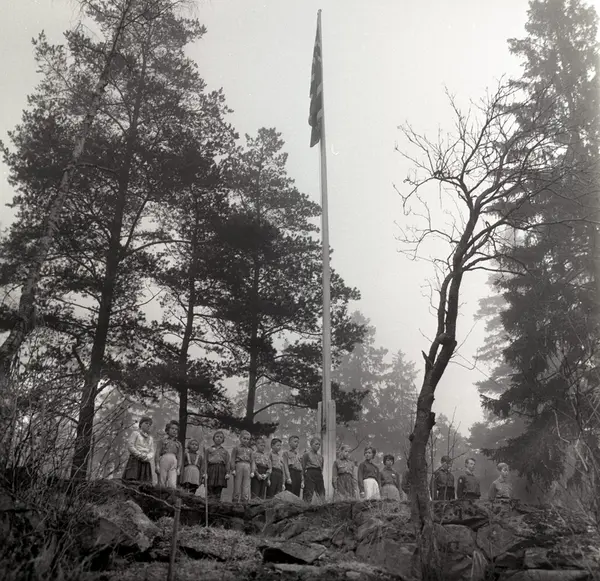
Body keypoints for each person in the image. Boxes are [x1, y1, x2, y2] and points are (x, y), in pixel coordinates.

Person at [123, 416, 155, 483]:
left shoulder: (150, 438)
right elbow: (130, 446)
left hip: (145, 461)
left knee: (144, 483)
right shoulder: (136, 433)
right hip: (135, 460)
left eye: (150, 424)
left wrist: (147, 457)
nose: (148, 425)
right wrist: (139, 455)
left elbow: (152, 451)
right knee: (132, 480)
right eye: (146, 423)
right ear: (140, 424)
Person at [155, 420, 183, 489]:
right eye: (172, 428)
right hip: (164, 459)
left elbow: (180, 457)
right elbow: (158, 452)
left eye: (176, 429)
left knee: (172, 483)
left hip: (174, 461)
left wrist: (179, 468)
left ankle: (171, 494)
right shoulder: (162, 440)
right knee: (162, 480)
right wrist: (157, 464)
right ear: (168, 430)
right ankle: (161, 493)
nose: (174, 430)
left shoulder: (178, 444)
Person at [206, 430, 230, 500]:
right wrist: (204, 473)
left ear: (223, 440)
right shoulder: (208, 450)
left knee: (219, 488)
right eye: (217, 436)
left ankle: (216, 503)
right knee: (210, 487)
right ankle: (209, 502)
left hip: (221, 470)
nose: (219, 438)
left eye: (221, 437)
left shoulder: (225, 451)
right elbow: (205, 462)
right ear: (213, 438)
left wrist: (227, 472)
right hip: (211, 469)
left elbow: (227, 462)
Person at [231, 430, 253, 504]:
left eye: (248, 439)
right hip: (239, 465)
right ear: (240, 438)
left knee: (246, 485)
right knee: (237, 484)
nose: (246, 440)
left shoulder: (250, 450)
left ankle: (245, 502)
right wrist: (233, 469)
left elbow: (252, 461)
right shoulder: (236, 448)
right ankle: (235, 501)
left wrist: (252, 471)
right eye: (244, 438)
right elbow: (233, 459)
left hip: (247, 466)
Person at [302, 437, 325, 504]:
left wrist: (319, 474)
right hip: (310, 473)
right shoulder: (306, 454)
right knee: (308, 492)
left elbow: (321, 467)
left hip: (319, 474)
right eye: (316, 444)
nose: (318, 446)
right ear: (311, 445)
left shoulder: (321, 457)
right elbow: (303, 467)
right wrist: (303, 479)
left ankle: (322, 507)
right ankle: (306, 507)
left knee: (321, 493)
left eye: (319, 444)